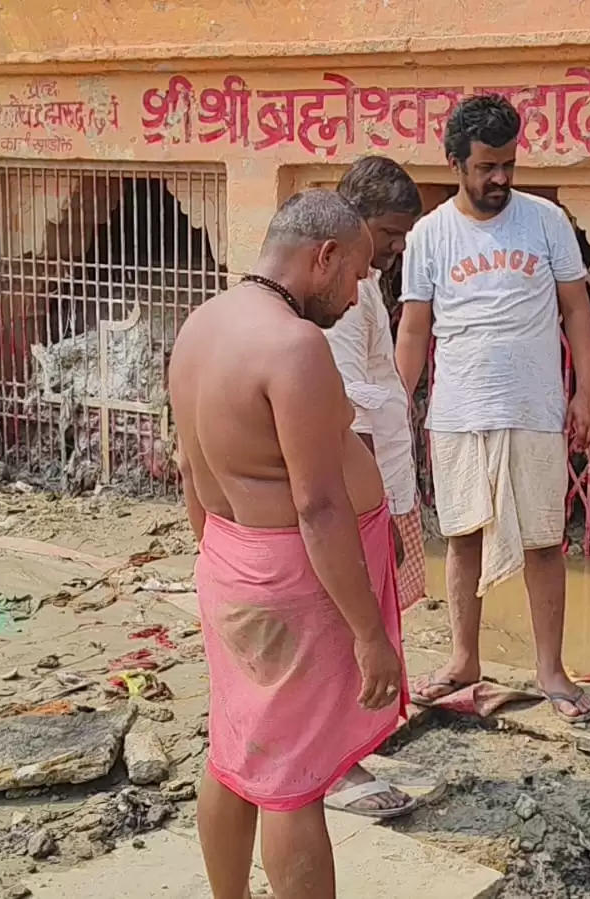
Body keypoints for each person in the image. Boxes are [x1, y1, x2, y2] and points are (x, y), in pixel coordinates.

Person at [169, 189, 406, 899]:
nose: (361, 289)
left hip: (232, 557)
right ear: (323, 256)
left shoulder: (202, 323)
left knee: (236, 748)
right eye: (360, 272)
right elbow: (318, 501)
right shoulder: (294, 345)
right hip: (293, 583)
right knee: (291, 783)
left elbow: (189, 468)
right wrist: (369, 631)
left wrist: (223, 563)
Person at [395, 94, 590, 724]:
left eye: (508, 164)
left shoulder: (546, 221)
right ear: (456, 162)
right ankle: (463, 660)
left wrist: (586, 391)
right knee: (460, 538)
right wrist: (394, 406)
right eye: (487, 166)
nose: (501, 179)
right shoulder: (428, 235)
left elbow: (576, 309)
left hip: (535, 407)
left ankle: (551, 670)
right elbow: (413, 329)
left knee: (544, 540)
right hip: (459, 408)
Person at [318, 155, 428, 818]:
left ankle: (350, 743)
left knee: (376, 620)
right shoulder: (339, 297)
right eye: (388, 233)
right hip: (365, 490)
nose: (395, 248)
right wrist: (371, 507)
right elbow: (345, 410)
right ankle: (335, 764)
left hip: (385, 479)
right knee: (348, 624)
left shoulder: (361, 288)